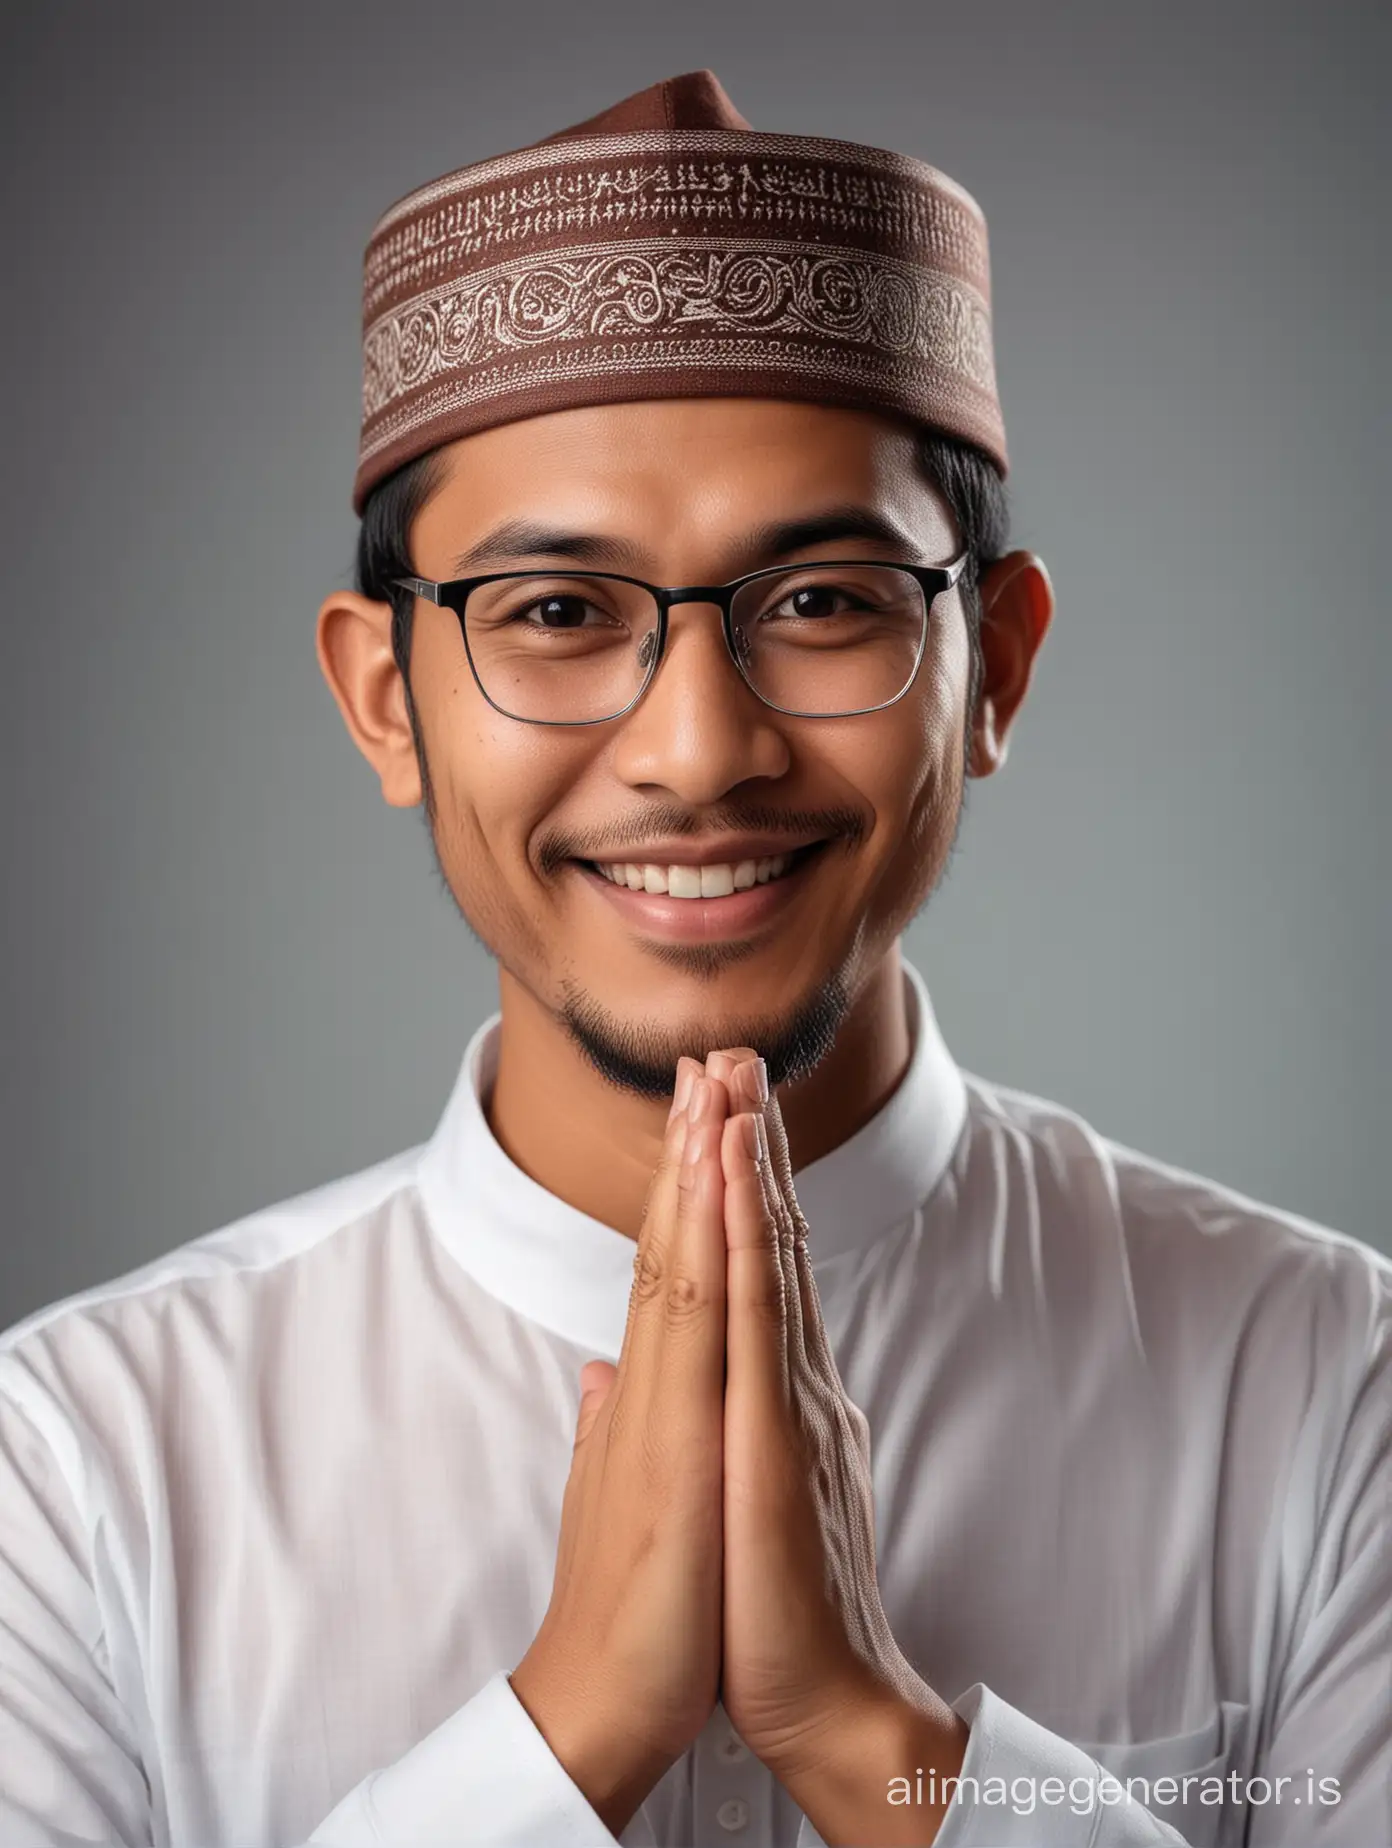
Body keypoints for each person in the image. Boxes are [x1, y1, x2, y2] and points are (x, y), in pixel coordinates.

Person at [0, 68, 1386, 1848]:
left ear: (1000, 671)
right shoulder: (73, 1475)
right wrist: (563, 1736)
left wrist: (880, 1745)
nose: (697, 749)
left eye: (818, 602)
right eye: (558, 614)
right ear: (382, 698)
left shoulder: (1332, 1391)